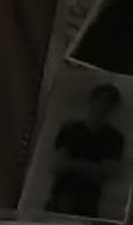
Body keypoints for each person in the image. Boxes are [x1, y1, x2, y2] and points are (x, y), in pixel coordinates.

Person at [46, 82, 125, 217]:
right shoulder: (70, 129)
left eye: (108, 104)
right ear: (91, 101)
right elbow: (57, 166)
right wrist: (93, 169)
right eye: (100, 102)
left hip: (88, 201)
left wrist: (71, 164)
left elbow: (108, 172)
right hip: (60, 196)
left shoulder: (114, 138)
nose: (102, 107)